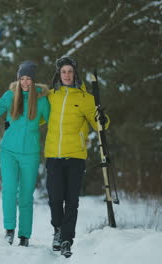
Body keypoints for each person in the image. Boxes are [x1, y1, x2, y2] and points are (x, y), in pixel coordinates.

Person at [44, 56, 109, 258]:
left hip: (76, 157)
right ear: (58, 74)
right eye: (63, 71)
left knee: (71, 201)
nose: (67, 75)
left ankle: (66, 239)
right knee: (55, 199)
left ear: (75, 74)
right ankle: (57, 230)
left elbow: (100, 125)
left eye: (70, 71)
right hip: (53, 155)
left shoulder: (86, 99)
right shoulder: (50, 97)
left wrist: (102, 118)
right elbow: (35, 117)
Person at [0, 61, 50, 247]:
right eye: (22, 78)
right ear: (18, 79)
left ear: (34, 80)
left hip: (31, 154)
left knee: (26, 196)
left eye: (28, 78)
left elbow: (51, 121)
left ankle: (24, 235)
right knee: (10, 190)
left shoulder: (42, 100)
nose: (25, 82)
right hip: (9, 152)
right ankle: (9, 230)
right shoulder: (11, 95)